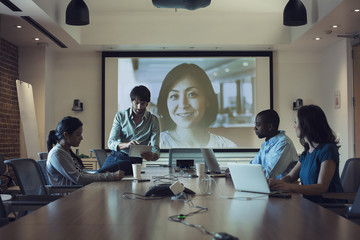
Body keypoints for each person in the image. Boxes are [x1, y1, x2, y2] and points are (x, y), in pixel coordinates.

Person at [269, 105, 344, 203]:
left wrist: (289, 187)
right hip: (310, 204)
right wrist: (276, 183)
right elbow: (290, 177)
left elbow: (321, 187)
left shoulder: (328, 149)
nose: (294, 126)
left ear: (306, 124)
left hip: (328, 207)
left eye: (295, 122)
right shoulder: (307, 152)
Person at [157, 63, 237, 148]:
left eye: (192, 94)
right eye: (174, 96)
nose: (183, 105)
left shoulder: (226, 146)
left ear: (207, 100)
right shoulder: (155, 145)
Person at [97, 85, 160, 175]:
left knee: (104, 175)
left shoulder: (153, 120)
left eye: (142, 103)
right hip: (116, 156)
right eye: (136, 103)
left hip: (134, 161)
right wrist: (127, 145)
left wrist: (153, 155)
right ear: (131, 101)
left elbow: (155, 148)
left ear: (147, 103)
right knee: (101, 176)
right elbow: (111, 143)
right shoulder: (121, 116)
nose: (139, 107)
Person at [47, 116, 125, 186]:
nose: (81, 138)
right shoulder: (57, 153)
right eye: (78, 135)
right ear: (66, 135)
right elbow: (78, 178)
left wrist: (104, 175)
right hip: (68, 197)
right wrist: (110, 176)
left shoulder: (65, 151)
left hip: (76, 192)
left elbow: (80, 174)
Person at [250, 109, 298, 179]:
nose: (255, 128)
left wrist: (246, 175)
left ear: (269, 127)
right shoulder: (265, 144)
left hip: (282, 188)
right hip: (269, 186)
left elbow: (269, 174)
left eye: (258, 125)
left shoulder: (284, 143)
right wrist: (236, 172)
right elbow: (253, 166)